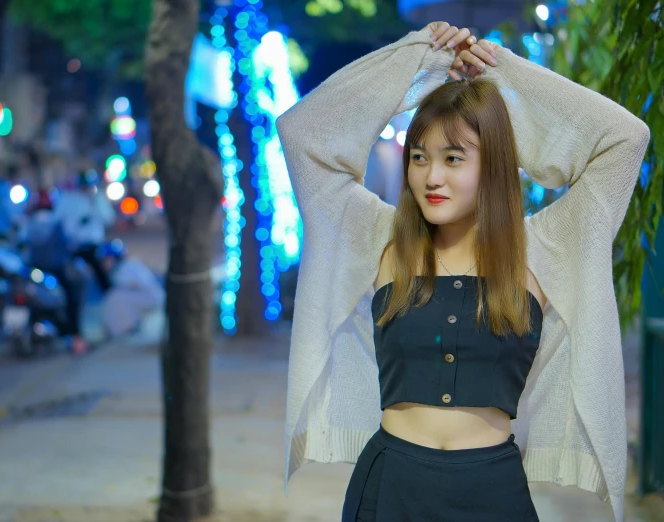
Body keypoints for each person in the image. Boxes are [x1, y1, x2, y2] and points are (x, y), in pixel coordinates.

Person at [277, 22, 649, 522]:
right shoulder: (379, 241)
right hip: (390, 491)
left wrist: (506, 74)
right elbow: (302, 133)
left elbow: (627, 138)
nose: (431, 177)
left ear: (493, 163)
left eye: (454, 158)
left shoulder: (546, 249)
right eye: (419, 158)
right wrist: (412, 60)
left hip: (494, 493)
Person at [26, 188, 87, 354]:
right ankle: (76, 337)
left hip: (34, 270)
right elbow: (68, 243)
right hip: (55, 270)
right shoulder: (56, 223)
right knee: (72, 299)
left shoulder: (29, 223)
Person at [53, 169, 116, 292]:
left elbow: (109, 219)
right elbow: (57, 218)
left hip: (94, 245)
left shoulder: (98, 198)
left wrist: (95, 203)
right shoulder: (68, 199)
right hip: (73, 246)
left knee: (103, 278)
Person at [97, 239, 165, 339]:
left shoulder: (128, 266)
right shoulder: (121, 268)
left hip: (152, 297)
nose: (104, 263)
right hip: (146, 296)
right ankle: (126, 328)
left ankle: (120, 332)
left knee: (115, 297)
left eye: (107, 259)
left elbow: (143, 284)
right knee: (116, 296)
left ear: (116, 258)